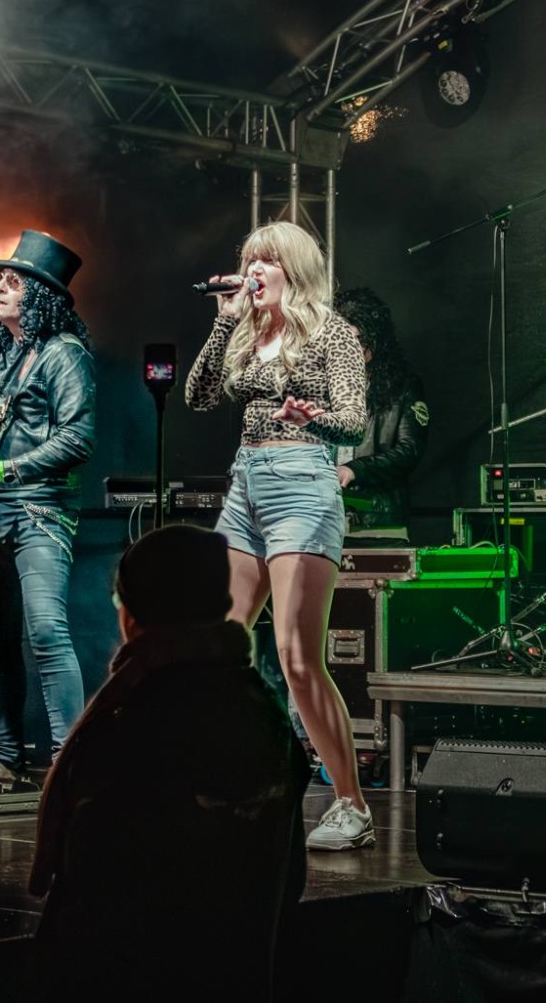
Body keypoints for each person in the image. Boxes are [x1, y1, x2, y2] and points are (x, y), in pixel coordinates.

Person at [29, 524, 306, 994]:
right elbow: (289, 880)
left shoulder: (128, 728)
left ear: (135, 614)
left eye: (119, 600)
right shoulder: (265, 713)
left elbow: (90, 899)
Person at [186, 219, 373, 851]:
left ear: (294, 268)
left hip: (302, 483)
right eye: (248, 261)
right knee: (216, 646)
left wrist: (312, 417)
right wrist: (222, 320)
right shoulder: (245, 331)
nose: (253, 271)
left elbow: (354, 422)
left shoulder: (332, 333)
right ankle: (229, 782)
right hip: (245, 484)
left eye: (265, 261)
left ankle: (350, 803)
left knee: (295, 656)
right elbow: (198, 396)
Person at [0, 229, 96, 784]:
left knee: (46, 633)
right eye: (0, 279)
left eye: (12, 282)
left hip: (40, 512)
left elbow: (78, 438)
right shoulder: (1, 352)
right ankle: (5, 760)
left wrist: (3, 470)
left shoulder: (65, 355)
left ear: (40, 296)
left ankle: (68, 762)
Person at [331, 287, 430, 539]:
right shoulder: (324, 385)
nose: (350, 349)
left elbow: (410, 449)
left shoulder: (403, 385)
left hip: (378, 517)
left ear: (376, 341)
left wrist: (356, 469)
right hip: (324, 518)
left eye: (358, 340)